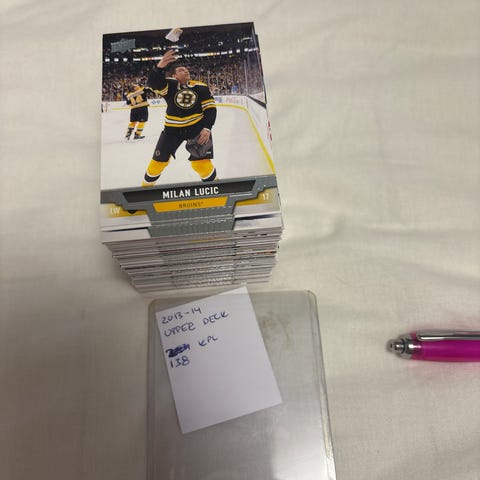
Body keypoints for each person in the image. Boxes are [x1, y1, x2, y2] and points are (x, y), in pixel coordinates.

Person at [142, 50, 218, 186]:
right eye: (181, 70)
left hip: (197, 129)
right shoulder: (169, 86)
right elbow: (153, 83)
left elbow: (210, 108)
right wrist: (160, 66)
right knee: (157, 164)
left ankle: (217, 190)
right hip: (172, 130)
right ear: (174, 76)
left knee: (201, 165)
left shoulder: (200, 87)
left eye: (186, 69)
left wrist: (207, 128)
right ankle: (144, 191)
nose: (186, 71)